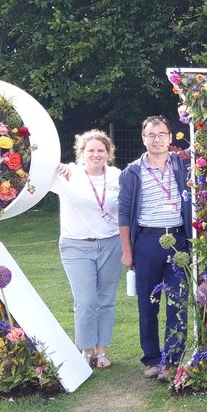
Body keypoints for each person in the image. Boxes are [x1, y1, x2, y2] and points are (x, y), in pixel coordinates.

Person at [118, 115, 193, 380]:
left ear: (170, 138)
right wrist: (127, 251)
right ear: (144, 139)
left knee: (177, 301)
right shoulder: (132, 172)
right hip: (147, 243)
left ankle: (172, 360)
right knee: (148, 304)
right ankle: (151, 360)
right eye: (151, 135)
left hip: (178, 241)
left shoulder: (182, 165)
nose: (157, 139)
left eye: (162, 134)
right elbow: (124, 214)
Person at [53, 130, 122, 370]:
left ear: (108, 153)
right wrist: (56, 167)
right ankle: (86, 349)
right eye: (90, 150)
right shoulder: (67, 173)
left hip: (111, 244)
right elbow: (35, 175)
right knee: (85, 301)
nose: (96, 155)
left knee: (106, 300)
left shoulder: (117, 176)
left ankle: (102, 350)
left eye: (100, 150)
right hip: (76, 245)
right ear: (81, 153)